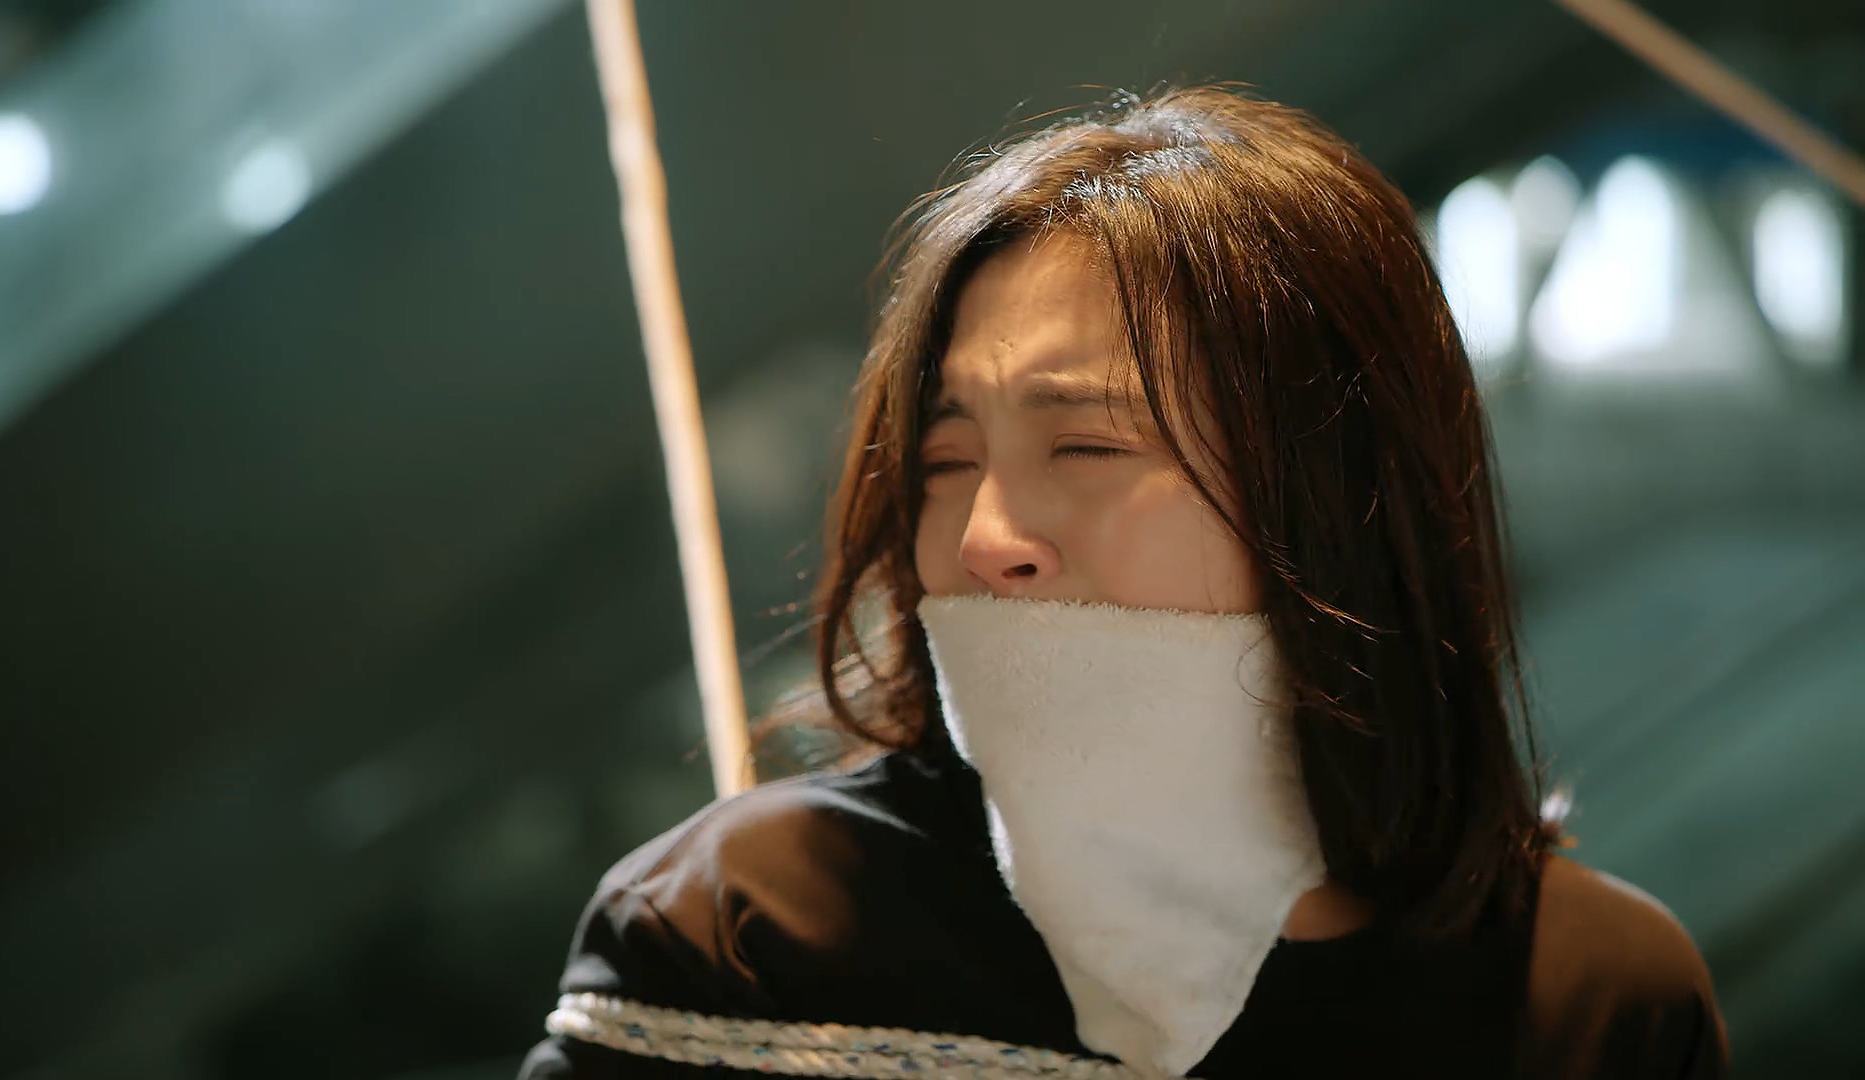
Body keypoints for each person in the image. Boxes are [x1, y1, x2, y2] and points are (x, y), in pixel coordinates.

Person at [518, 86, 1726, 1079]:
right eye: (945, 461)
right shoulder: (750, 935)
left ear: (1336, 497)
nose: (984, 536)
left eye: (1085, 448)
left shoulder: (1595, 994)